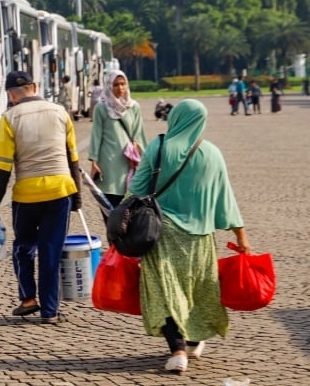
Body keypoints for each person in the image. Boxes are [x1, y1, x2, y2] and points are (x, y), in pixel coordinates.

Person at [127, 99, 251, 374]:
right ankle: (194, 342)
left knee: (165, 292)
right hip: (200, 239)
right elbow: (225, 201)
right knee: (197, 291)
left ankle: (178, 350)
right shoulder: (213, 154)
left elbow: (136, 188)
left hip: (162, 234)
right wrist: (241, 237)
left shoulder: (159, 147)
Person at [0, 70, 83, 324]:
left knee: (24, 246)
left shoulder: (9, 118)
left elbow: (2, 166)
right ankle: (50, 311)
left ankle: (28, 298)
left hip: (26, 195)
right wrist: (78, 198)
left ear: (10, 95)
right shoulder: (60, 112)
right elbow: (73, 158)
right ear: (34, 87)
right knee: (50, 250)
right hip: (60, 191)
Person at [89, 69, 148, 213]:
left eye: (123, 84)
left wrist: (143, 156)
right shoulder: (101, 108)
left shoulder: (133, 107)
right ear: (109, 86)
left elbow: (139, 133)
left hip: (128, 162)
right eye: (116, 85)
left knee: (129, 207)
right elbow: (96, 135)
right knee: (110, 208)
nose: (120, 88)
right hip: (108, 164)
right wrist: (94, 161)